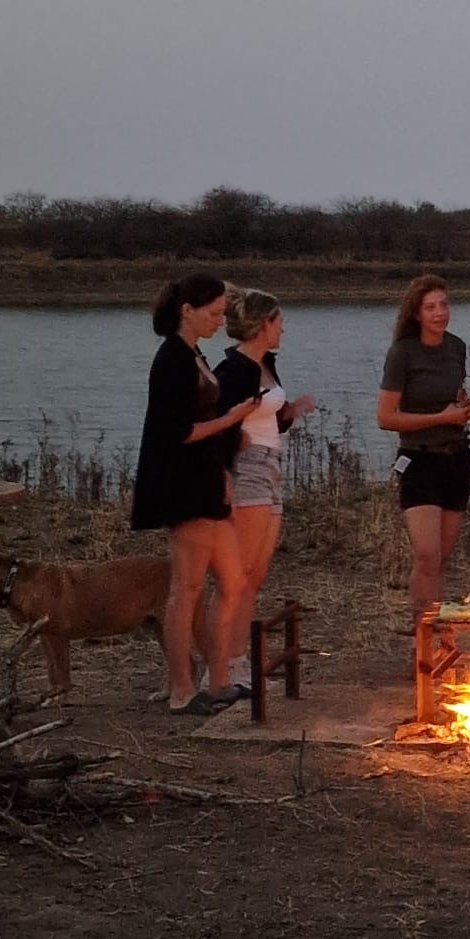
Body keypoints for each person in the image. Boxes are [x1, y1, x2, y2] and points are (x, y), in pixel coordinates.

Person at [131, 273, 261, 716]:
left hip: (206, 480)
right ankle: (181, 689)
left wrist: (225, 458)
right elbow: (178, 432)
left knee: (233, 580)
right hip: (183, 486)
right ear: (187, 310)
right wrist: (233, 419)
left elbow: (202, 419)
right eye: (213, 313)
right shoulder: (171, 359)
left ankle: (219, 677)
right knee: (186, 588)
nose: (219, 321)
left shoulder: (194, 355)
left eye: (223, 313)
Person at [214, 286, 316, 691]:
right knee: (236, 577)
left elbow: (266, 417)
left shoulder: (265, 364)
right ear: (262, 325)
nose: (283, 330)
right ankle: (221, 668)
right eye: (279, 322)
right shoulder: (234, 370)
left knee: (254, 576)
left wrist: (291, 412)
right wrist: (228, 451)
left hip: (272, 464)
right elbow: (218, 419)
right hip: (248, 470)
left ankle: (238, 663)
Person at [375, 275, 470, 625]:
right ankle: (421, 643)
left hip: (456, 459)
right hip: (419, 460)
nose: (440, 313)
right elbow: (386, 417)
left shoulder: (456, 347)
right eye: (431, 307)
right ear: (417, 313)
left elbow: (455, 395)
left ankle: (434, 639)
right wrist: (439, 417)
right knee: (426, 554)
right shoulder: (403, 352)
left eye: (444, 305)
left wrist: (466, 408)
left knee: (441, 558)